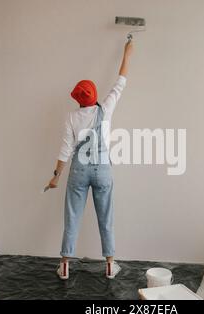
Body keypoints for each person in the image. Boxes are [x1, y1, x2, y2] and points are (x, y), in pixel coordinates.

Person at [48, 40, 134, 280]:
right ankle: (109, 264)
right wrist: (127, 52)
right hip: (103, 170)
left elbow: (65, 150)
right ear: (95, 95)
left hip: (78, 170)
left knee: (72, 216)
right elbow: (121, 81)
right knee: (106, 216)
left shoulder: (71, 118)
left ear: (77, 98)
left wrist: (55, 177)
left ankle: (65, 265)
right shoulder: (105, 108)